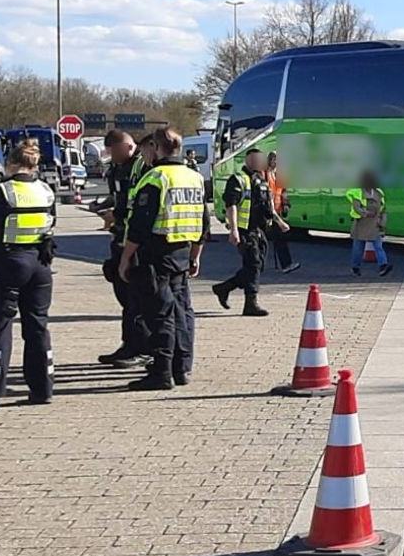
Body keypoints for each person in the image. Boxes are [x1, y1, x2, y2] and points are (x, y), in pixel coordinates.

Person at [0, 139, 57, 411]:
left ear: (11, 164)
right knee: (37, 327)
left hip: (8, 263)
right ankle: (42, 390)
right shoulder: (46, 190)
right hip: (40, 265)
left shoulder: (0, 192)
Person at [117, 128, 208, 390]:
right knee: (180, 312)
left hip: (156, 253)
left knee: (160, 315)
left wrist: (125, 258)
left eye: (148, 147)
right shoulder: (194, 177)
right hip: (181, 251)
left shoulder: (155, 177)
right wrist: (196, 255)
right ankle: (180, 368)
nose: (145, 152)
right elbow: (203, 221)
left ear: (156, 147)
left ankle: (161, 373)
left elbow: (140, 225)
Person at [212, 148, 290, 316]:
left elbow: (267, 205)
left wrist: (280, 222)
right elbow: (231, 205)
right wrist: (233, 230)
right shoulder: (238, 180)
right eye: (256, 159)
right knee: (253, 264)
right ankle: (250, 303)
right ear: (248, 160)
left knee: (257, 266)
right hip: (244, 230)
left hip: (259, 230)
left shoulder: (261, 180)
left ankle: (224, 287)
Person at [98, 129, 151, 369]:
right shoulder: (116, 169)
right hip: (120, 237)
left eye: (116, 152)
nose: (113, 157)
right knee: (125, 297)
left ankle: (142, 349)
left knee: (137, 300)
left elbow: (138, 206)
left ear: (129, 147)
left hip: (137, 242)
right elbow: (118, 197)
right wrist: (106, 208)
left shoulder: (142, 168)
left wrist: (115, 213)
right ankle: (129, 344)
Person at [346, 172, 393, 277]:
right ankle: (355, 267)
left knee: (378, 246)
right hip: (361, 224)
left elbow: (383, 210)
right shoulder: (357, 192)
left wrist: (383, 223)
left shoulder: (378, 193)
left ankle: (383, 266)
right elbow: (356, 208)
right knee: (358, 248)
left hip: (375, 224)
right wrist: (366, 213)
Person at [265, 151, 300, 274]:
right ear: (269, 160)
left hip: (277, 211)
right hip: (268, 211)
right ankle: (285, 264)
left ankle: (286, 264)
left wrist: (285, 204)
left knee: (280, 238)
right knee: (265, 239)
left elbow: (284, 191)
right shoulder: (265, 174)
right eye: (275, 160)